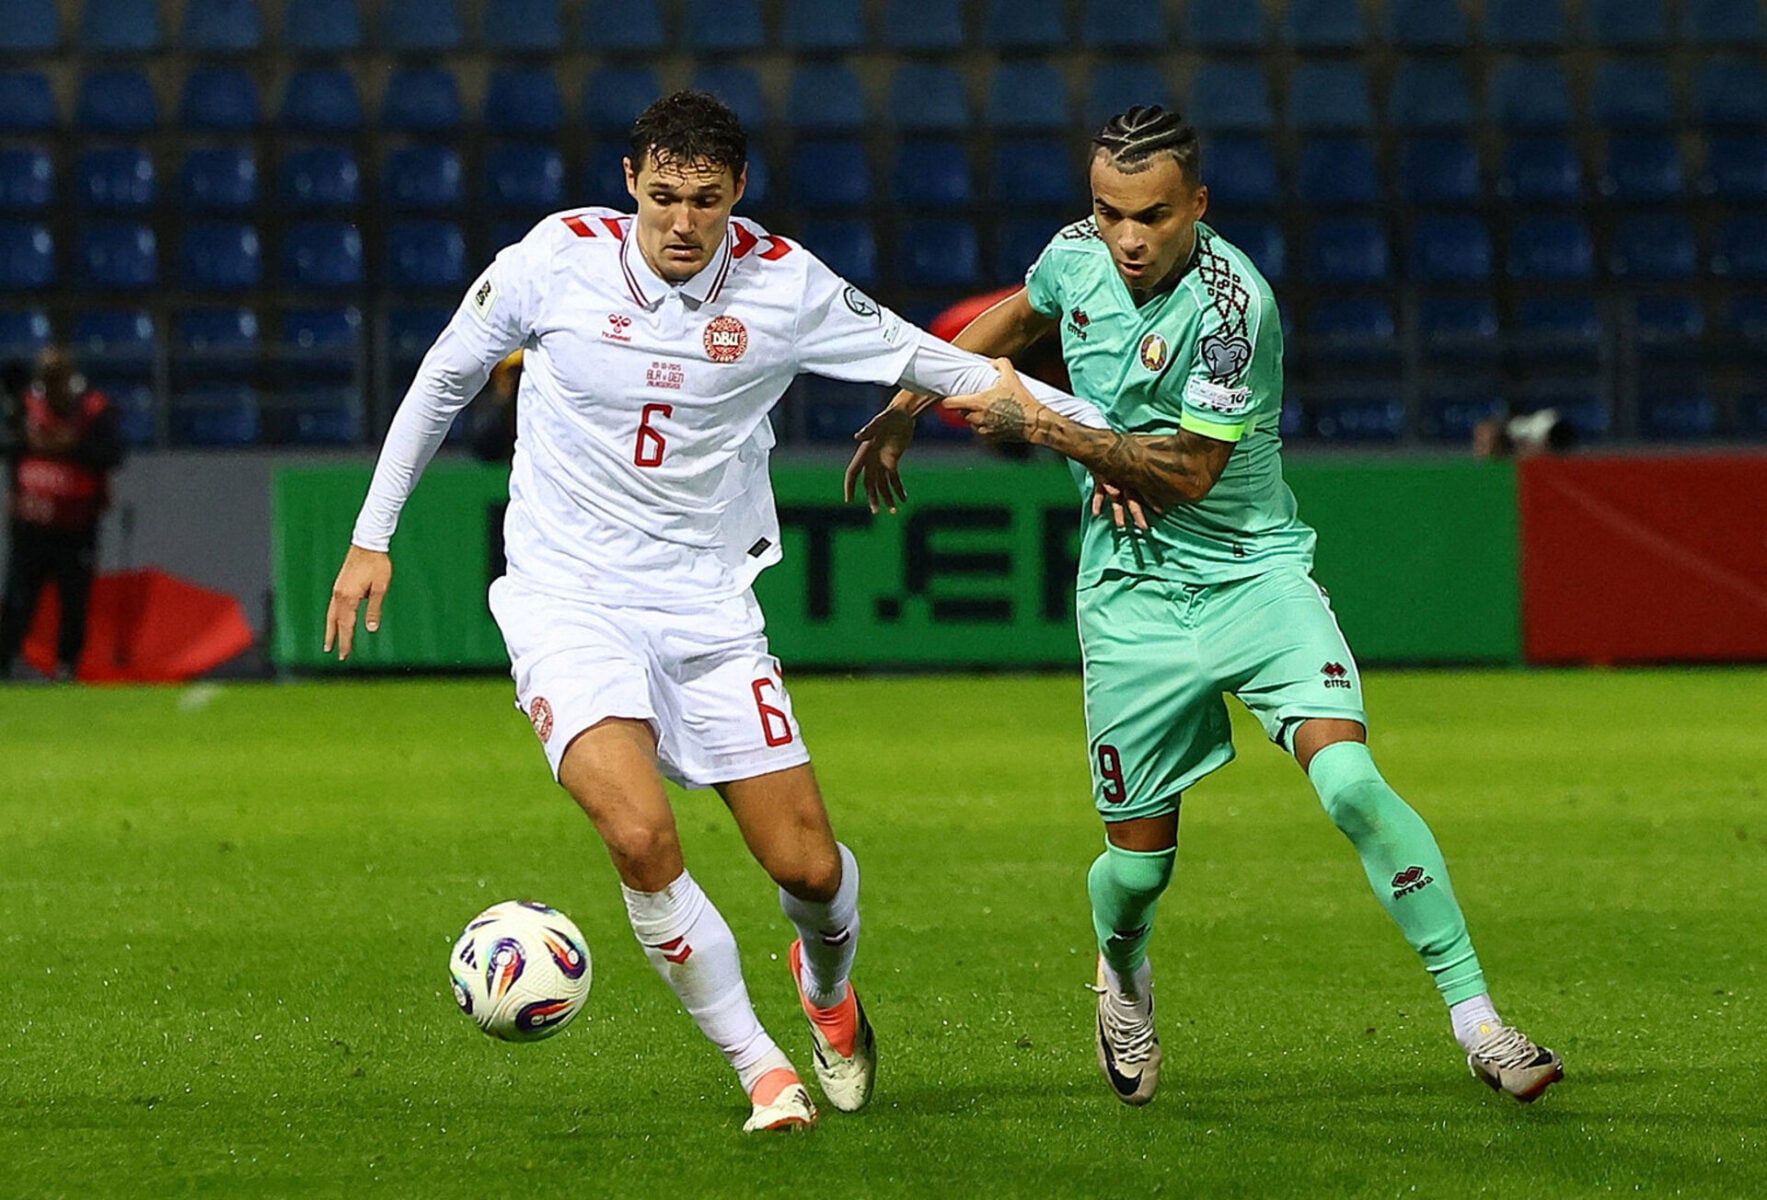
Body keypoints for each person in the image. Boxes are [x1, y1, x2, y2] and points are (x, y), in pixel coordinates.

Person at [322, 91, 1109, 1132]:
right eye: (660, 198)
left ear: (737, 191)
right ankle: (760, 1069)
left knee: (812, 874)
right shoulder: (553, 260)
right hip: (568, 597)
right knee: (641, 838)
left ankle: (826, 991)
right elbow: (443, 379)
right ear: (630, 182)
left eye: (702, 199)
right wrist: (372, 536)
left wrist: (1106, 438)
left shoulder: (786, 287)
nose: (680, 223)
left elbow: (939, 359)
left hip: (707, 607)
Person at [848, 106, 1564, 1107]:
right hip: (1129, 596)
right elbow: (1022, 310)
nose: (1128, 239)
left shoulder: (1237, 311)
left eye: (1151, 216)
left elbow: (1184, 473)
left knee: (1351, 781)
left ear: (1198, 206)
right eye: (1109, 213)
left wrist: (1044, 426)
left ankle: (1479, 1020)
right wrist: (904, 406)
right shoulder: (1076, 255)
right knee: (1137, 872)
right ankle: (1122, 972)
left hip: (1251, 573)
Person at [0, 347, 123, 681]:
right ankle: (5, 661)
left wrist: (72, 445)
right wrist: (29, 441)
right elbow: (8, 445)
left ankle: (68, 665)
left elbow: (112, 455)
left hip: (76, 525)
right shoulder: (23, 410)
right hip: (30, 524)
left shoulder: (93, 411)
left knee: (74, 600)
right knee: (18, 597)